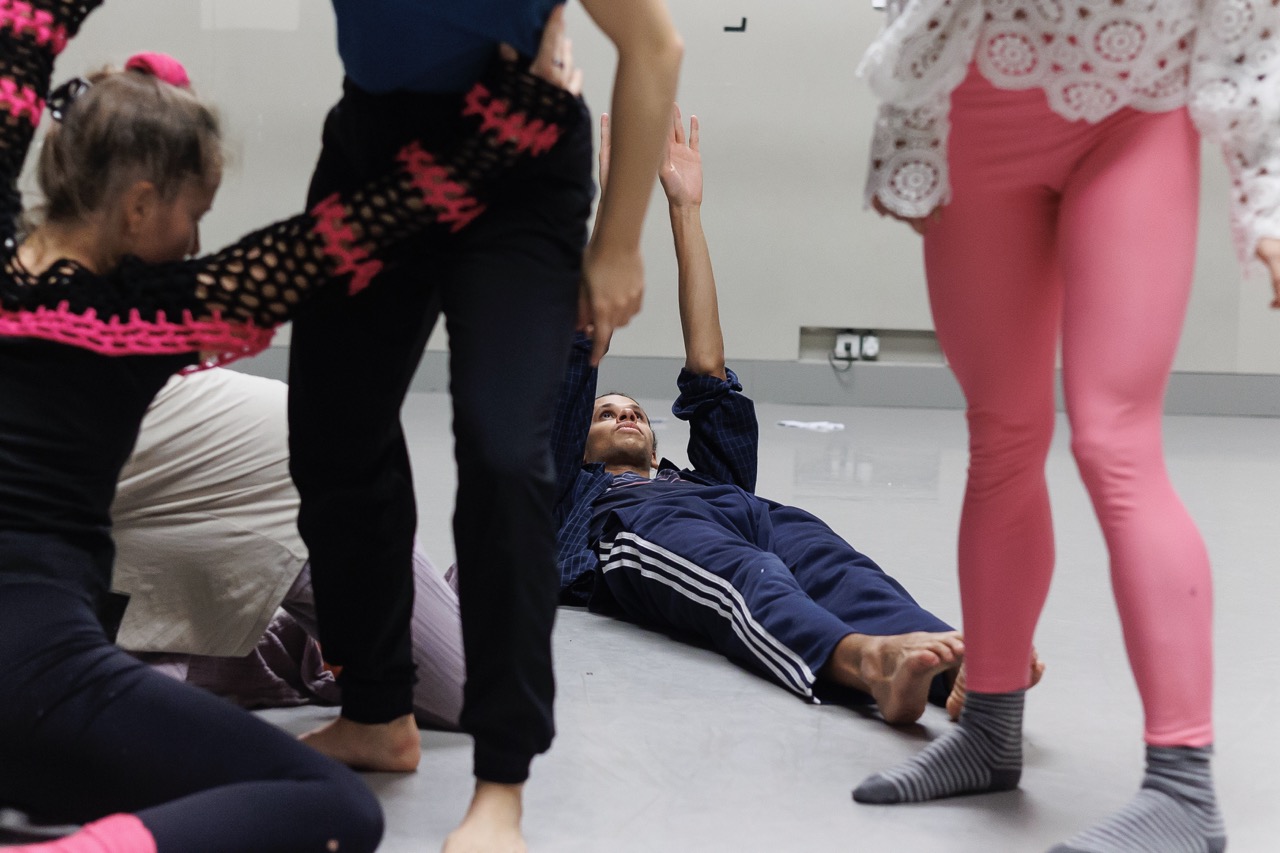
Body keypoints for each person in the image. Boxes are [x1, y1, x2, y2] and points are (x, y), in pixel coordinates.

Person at [0, 2, 587, 849]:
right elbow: (361, 226)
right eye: (192, 215)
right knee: (334, 807)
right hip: (32, 677)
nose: (195, 241)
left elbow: (16, 47)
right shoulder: (144, 316)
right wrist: (521, 119)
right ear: (136, 207)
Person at [850, 0, 1279, 849]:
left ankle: (1184, 787)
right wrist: (909, 127)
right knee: (1000, 436)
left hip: (1134, 108)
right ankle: (989, 729)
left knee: (1115, 439)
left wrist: (1267, 195)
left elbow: (1251, 23)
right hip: (976, 114)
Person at [286, 3, 682, 850]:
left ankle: (502, 780)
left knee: (504, 456)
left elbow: (655, 44)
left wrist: (618, 244)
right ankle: (377, 710)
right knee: (333, 430)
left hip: (519, 157)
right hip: (373, 143)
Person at [553, 107, 996, 726]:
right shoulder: (574, 495)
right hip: (640, 523)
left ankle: (948, 660)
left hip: (745, 511)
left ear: (656, 447)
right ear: (578, 444)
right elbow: (587, 336)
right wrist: (615, 209)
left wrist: (686, 209)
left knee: (835, 564)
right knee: (747, 574)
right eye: (605, 414)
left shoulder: (705, 478)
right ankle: (867, 664)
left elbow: (708, 370)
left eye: (635, 413)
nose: (625, 415)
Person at [111, 368, 465, 730]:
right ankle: (320, 645)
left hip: (278, 468)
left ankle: (491, 584)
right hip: (155, 492)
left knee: (471, 689)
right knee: (115, 684)